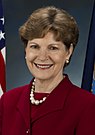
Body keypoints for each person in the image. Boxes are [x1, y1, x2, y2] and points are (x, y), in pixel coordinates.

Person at [0, 6, 95, 135]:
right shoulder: (8, 100)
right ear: (26, 50)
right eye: (35, 46)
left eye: (53, 48)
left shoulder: (87, 105)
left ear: (68, 52)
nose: (42, 57)